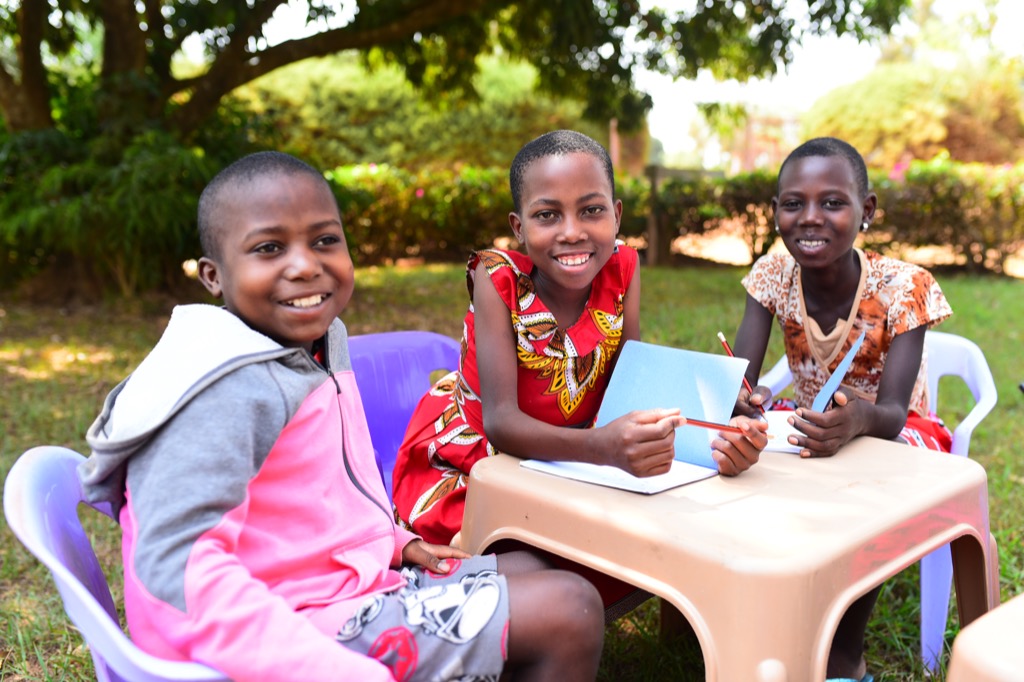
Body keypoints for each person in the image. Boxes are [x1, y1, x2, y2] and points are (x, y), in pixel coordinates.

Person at [77, 151, 606, 682]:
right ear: (214, 277)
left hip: (338, 585)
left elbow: (319, 496)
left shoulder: (316, 341)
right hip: (286, 632)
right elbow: (176, 574)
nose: (306, 264)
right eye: (269, 248)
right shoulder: (222, 390)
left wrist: (397, 544)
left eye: (325, 240)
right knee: (569, 611)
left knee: (541, 570)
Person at [391, 130, 768, 564]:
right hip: (483, 465)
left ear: (617, 215)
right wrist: (603, 449)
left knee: (681, 525)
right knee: (547, 557)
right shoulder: (497, 282)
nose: (572, 232)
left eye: (591, 210)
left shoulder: (623, 266)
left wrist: (721, 413)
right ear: (519, 227)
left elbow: (632, 377)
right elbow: (501, 423)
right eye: (547, 215)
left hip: (579, 455)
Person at [730, 137, 954, 682]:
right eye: (792, 203)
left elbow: (898, 411)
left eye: (832, 203)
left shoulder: (906, 287)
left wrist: (857, 419)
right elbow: (740, 375)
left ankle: (844, 659)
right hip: (814, 425)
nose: (810, 219)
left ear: (866, 211)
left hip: (897, 435)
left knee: (864, 489)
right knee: (738, 441)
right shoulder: (771, 276)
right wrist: (739, 395)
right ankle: (756, 592)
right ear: (777, 210)